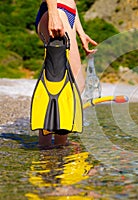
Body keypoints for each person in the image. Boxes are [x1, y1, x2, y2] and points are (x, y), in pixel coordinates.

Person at [35, 0, 98, 147]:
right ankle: (50, 146)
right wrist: (53, 14)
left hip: (66, 13)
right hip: (57, 10)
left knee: (73, 83)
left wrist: (80, 32)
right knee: (63, 83)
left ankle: (57, 143)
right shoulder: (55, 13)